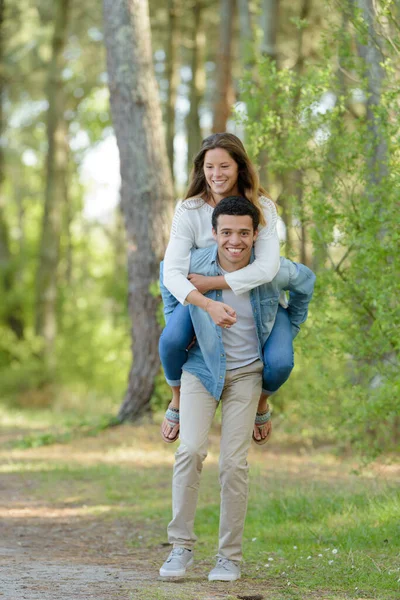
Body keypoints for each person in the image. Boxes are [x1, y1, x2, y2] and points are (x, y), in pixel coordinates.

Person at [159, 196, 316, 581]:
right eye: (226, 232)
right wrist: (181, 325)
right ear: (213, 233)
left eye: (243, 233)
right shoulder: (195, 267)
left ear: (256, 234)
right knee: (191, 450)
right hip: (202, 369)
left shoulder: (270, 271)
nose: (234, 241)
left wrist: (287, 331)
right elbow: (168, 278)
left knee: (233, 463)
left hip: (247, 374)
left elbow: (306, 283)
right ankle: (180, 548)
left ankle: (228, 557)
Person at [160, 132, 292, 445]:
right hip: (202, 299)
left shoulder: (263, 208)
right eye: (209, 168)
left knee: (281, 362)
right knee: (172, 341)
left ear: (240, 167)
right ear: (200, 170)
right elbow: (172, 272)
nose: (216, 175)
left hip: (260, 298)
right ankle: (177, 398)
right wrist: (205, 300)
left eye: (225, 167)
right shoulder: (189, 211)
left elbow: (268, 267)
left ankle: (261, 402)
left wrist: (212, 281)